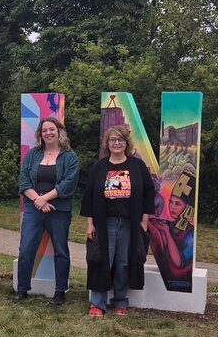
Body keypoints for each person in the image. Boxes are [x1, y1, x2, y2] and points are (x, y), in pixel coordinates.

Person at [81, 125, 155, 316]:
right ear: (107, 143)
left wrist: (145, 220)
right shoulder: (99, 167)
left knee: (123, 262)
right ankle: (97, 303)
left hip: (130, 224)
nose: (116, 143)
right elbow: (89, 196)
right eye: (112, 140)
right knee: (100, 260)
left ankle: (120, 301)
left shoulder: (137, 167)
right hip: (105, 224)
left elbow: (148, 193)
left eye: (120, 139)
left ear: (126, 143)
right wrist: (90, 223)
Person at [14, 117, 79, 305]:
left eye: (52, 129)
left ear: (59, 131)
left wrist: (45, 198)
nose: (48, 133)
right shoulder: (33, 155)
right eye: (44, 131)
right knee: (26, 248)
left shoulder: (69, 156)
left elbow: (69, 183)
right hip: (34, 208)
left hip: (59, 209)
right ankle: (22, 289)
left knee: (61, 250)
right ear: (40, 134)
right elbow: (24, 181)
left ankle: (60, 292)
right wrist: (38, 200)